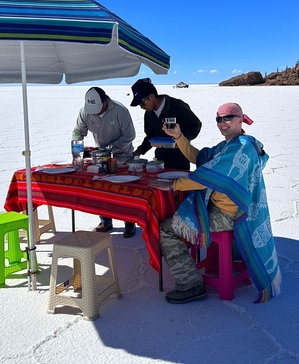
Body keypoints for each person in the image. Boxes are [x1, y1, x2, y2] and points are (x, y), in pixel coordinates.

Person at [152, 102, 281, 304]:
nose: (223, 123)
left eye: (228, 118)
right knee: (182, 211)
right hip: (221, 208)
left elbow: (205, 177)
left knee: (167, 229)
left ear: (241, 119)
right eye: (219, 119)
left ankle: (191, 284)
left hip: (226, 216)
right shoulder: (230, 146)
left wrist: (173, 186)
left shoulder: (241, 149)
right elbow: (200, 159)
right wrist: (179, 137)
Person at [72, 87, 138, 238]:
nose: (94, 112)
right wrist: (77, 143)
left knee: (123, 188)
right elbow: (78, 130)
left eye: (97, 108)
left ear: (106, 101)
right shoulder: (85, 111)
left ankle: (129, 222)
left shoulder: (120, 111)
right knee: (102, 188)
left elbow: (129, 135)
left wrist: (111, 149)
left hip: (122, 155)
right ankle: (105, 221)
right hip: (100, 155)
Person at [129, 78, 202, 170]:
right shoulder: (149, 114)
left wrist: (180, 141)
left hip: (180, 161)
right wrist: (138, 152)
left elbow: (195, 125)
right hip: (160, 161)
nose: (142, 107)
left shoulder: (176, 105)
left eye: (142, 103)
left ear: (151, 96)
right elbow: (150, 136)